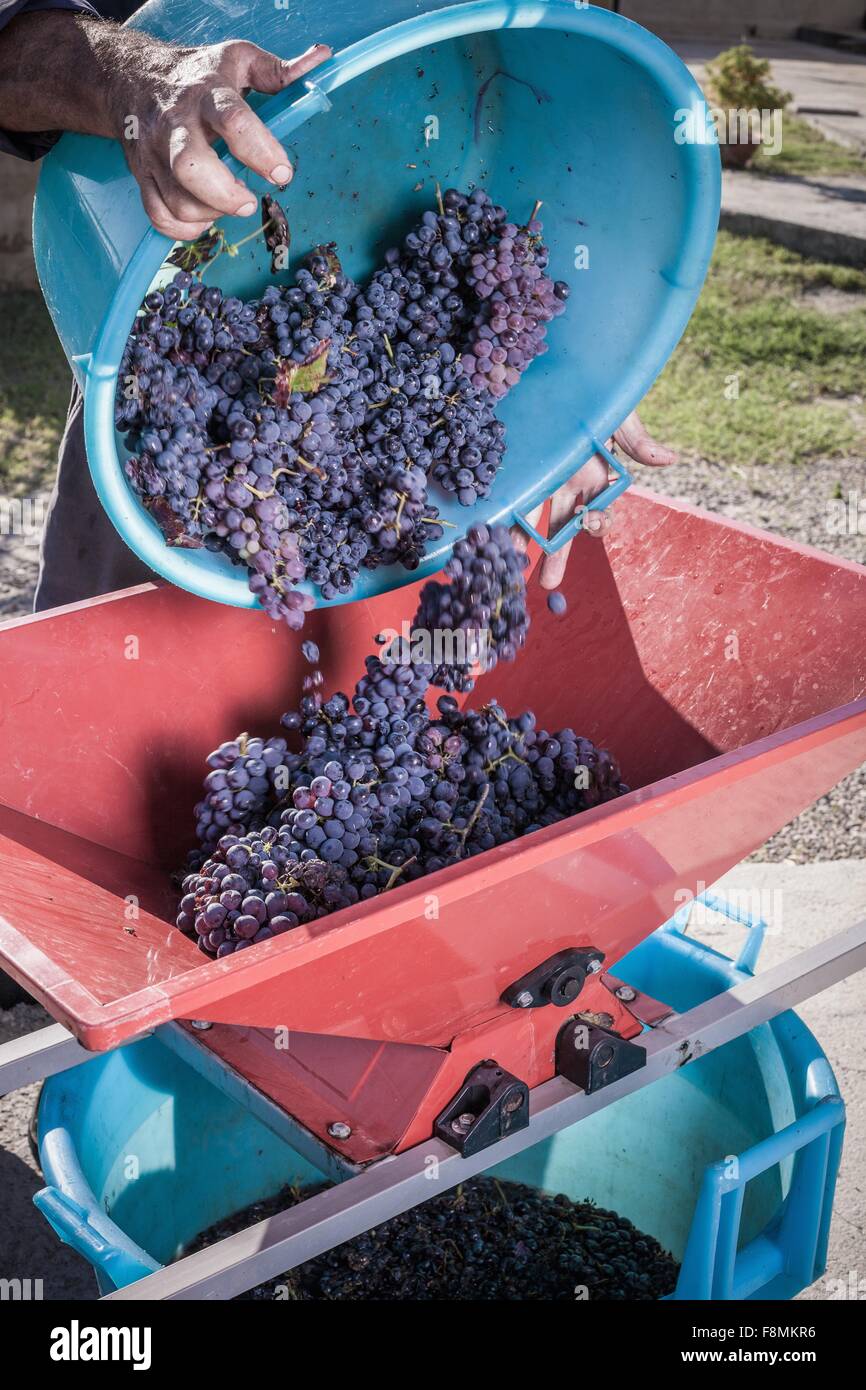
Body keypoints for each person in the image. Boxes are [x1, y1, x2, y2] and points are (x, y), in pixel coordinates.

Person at [0, 0, 676, 610]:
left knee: (385, 680)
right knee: (117, 676)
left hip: (404, 302)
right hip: (168, 361)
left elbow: (568, 119)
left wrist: (570, 385)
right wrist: (134, 76)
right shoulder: (186, 432)